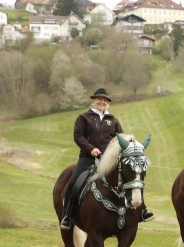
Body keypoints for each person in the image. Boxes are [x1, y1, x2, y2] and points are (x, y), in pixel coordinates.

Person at [60, 88, 154, 230]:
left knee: (133, 177)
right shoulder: (83, 118)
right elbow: (78, 136)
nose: (102, 102)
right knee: (74, 182)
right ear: (93, 100)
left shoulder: (113, 120)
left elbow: (121, 138)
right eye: (99, 99)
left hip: (110, 160)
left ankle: (142, 211)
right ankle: (66, 215)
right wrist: (91, 149)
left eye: (105, 100)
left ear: (108, 103)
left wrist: (131, 144)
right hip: (88, 158)